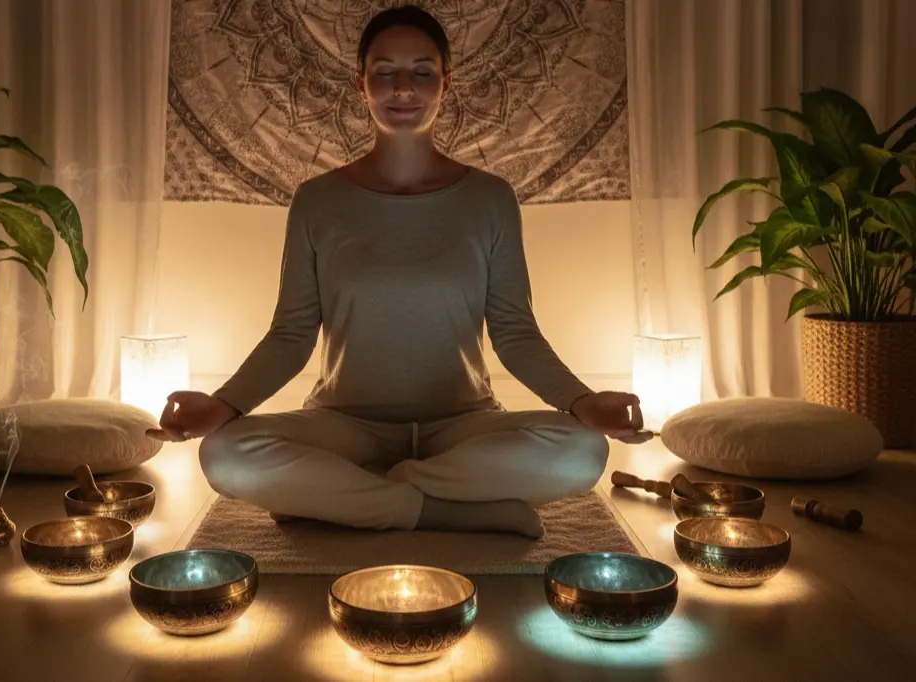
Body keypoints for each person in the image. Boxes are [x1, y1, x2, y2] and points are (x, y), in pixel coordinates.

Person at [148, 5, 652, 538]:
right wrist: (222, 406)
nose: (403, 87)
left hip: (464, 425)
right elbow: (292, 335)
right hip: (342, 424)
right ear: (361, 83)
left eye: (422, 71)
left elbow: (515, 332)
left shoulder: (491, 199)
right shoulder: (317, 201)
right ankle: (439, 509)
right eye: (385, 71)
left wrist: (582, 401)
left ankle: (358, 494)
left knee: (582, 452)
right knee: (225, 454)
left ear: (445, 82)